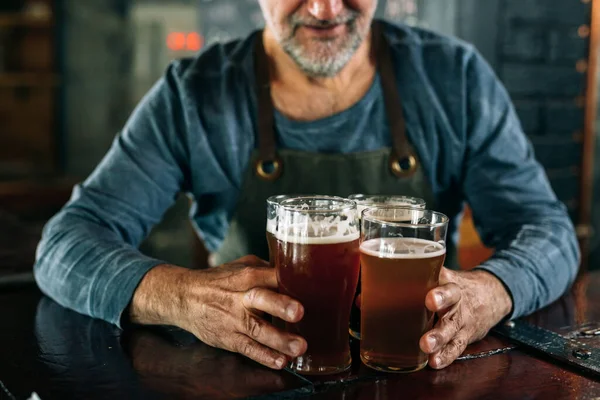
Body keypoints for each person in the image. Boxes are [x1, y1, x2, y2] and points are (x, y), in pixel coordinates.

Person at [35, 0, 580, 371]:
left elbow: (549, 230)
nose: (324, 9)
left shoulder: (453, 77)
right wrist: (180, 296)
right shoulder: (194, 95)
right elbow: (65, 245)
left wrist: (490, 292)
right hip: (250, 378)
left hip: (417, 374)